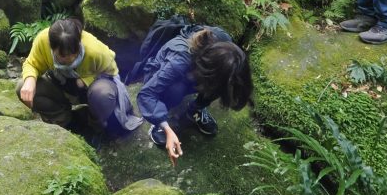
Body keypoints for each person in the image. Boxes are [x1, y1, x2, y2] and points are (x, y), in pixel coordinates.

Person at [136, 25, 252, 165]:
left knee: (220, 83)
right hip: (164, 73)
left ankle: (195, 110)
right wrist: (167, 129)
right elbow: (147, 93)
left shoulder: (226, 48)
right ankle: (160, 120)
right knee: (175, 91)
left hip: (199, 72)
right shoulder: (179, 61)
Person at [17, 18, 141, 135]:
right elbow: (31, 64)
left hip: (93, 89)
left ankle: (95, 126)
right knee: (22, 86)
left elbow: (111, 71)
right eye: (63, 56)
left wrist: (87, 80)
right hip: (61, 84)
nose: (70, 59)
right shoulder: (43, 41)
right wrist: (30, 80)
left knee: (103, 93)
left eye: (74, 53)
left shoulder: (95, 49)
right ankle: (66, 122)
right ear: (52, 47)